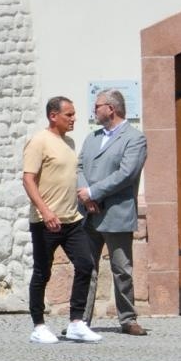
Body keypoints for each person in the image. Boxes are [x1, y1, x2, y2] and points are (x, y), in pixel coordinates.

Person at [22, 96, 99, 345]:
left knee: (85, 265)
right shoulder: (39, 141)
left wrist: (85, 199)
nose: (74, 118)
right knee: (42, 272)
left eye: (74, 114)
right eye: (69, 114)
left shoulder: (69, 142)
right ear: (53, 116)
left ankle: (76, 322)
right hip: (46, 221)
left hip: (71, 218)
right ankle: (38, 326)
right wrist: (45, 212)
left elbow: (68, 177)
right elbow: (28, 180)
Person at [76, 87, 148, 336]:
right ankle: (80, 319)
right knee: (86, 267)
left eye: (97, 106)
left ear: (111, 108)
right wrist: (85, 195)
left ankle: (127, 318)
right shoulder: (92, 138)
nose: (94, 110)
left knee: (122, 269)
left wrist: (94, 192)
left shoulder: (134, 138)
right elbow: (79, 166)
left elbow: (127, 174)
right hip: (89, 212)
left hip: (116, 212)